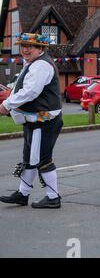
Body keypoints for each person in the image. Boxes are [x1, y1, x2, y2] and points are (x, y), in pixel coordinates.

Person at [0, 33, 63, 209]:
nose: (25, 50)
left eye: (31, 46)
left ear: (41, 48)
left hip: (43, 121)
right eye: (23, 46)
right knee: (29, 158)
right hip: (35, 121)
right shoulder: (33, 63)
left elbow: (30, 92)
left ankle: (53, 197)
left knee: (42, 159)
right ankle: (23, 194)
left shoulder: (41, 65)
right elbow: (22, 89)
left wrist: (5, 105)